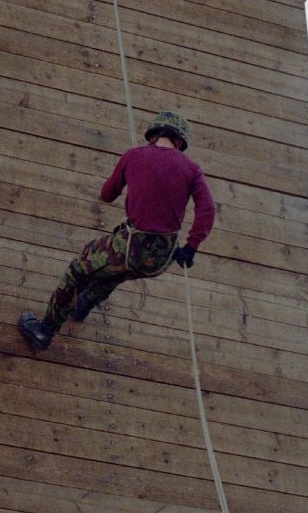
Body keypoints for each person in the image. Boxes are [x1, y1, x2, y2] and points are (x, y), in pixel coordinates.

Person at [18, 110, 216, 352]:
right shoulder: (192, 169)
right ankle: (83, 306)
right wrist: (191, 247)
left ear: (153, 135)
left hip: (130, 245)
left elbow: (107, 194)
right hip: (161, 258)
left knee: (78, 271)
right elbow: (207, 210)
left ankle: (44, 331)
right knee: (117, 273)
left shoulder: (134, 155)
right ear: (180, 141)